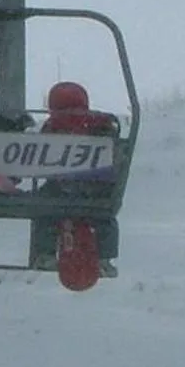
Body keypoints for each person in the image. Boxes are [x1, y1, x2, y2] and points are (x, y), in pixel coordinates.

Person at [28, 80, 121, 275]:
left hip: (61, 189)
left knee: (44, 209)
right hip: (98, 191)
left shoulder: (53, 126)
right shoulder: (101, 124)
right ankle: (104, 258)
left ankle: (45, 253)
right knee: (104, 214)